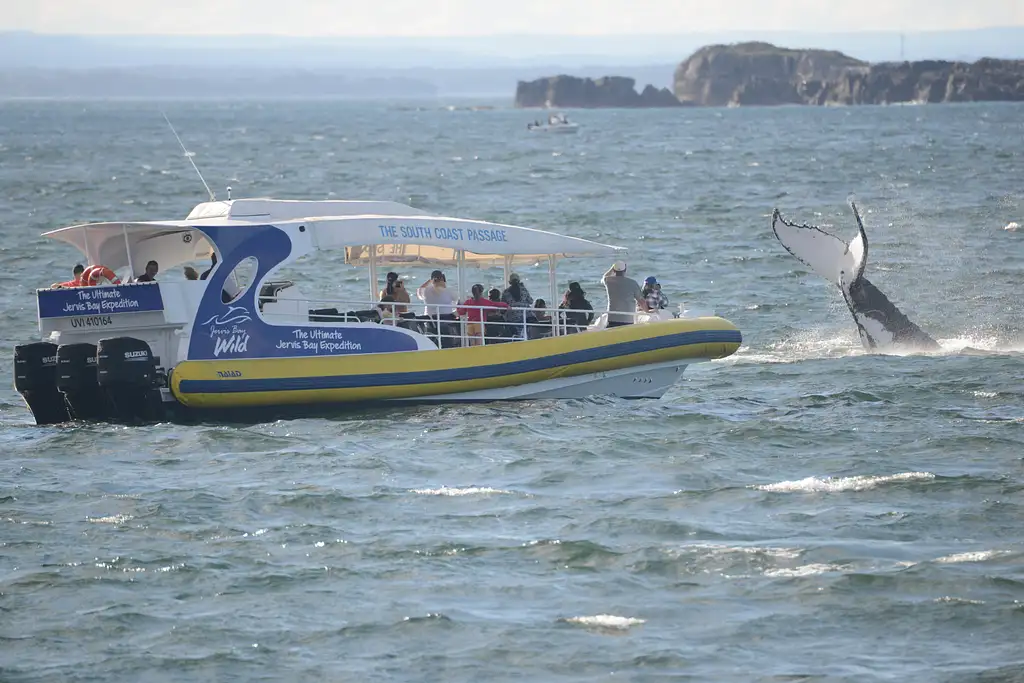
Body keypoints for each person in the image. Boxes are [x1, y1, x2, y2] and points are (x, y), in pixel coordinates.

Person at [602, 261, 648, 327]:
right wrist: (647, 311)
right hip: (627, 319)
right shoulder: (632, 283)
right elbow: (641, 301)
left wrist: (613, 268)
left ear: (614, 270)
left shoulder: (608, 281)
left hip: (612, 318)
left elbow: (604, 276)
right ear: (625, 270)